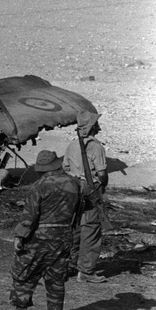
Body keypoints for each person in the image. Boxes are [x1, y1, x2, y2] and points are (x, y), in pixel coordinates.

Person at [0, 150, 80, 310]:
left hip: (40, 237)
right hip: (64, 236)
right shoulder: (74, 183)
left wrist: (19, 236)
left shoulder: (39, 186)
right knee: (56, 280)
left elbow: (29, 217)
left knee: (23, 273)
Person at [63, 110, 108, 283]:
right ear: (91, 127)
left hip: (74, 188)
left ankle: (70, 264)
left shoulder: (72, 145)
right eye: (96, 124)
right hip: (91, 190)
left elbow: (65, 167)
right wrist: (101, 184)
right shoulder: (95, 146)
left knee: (75, 227)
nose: (99, 126)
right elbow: (102, 173)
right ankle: (86, 271)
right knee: (91, 228)